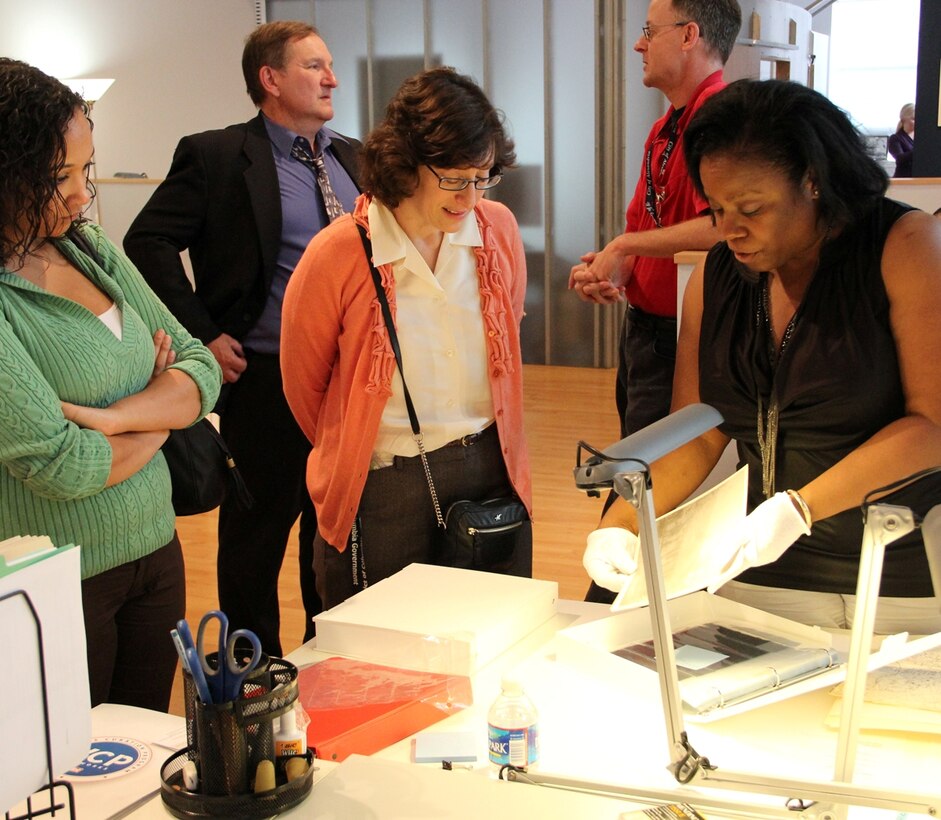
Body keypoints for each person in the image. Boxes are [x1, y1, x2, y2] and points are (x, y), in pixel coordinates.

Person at [583, 79, 941, 636]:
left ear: (814, 181)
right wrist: (622, 523)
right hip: (762, 569)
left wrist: (800, 508)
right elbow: (697, 431)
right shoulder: (717, 275)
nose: (729, 231)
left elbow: (932, 424)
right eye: (717, 209)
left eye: (751, 208)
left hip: (898, 574)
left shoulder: (904, 246)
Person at [124, 22, 362, 656]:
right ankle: (255, 680)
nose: (331, 77)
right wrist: (202, 333)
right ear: (271, 79)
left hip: (353, 386)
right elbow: (146, 242)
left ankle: (328, 660)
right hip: (265, 382)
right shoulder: (218, 156)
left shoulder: (356, 159)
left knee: (336, 535)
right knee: (255, 543)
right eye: (315, 66)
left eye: (330, 65)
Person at [0, 59, 222, 709]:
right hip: (56, 577)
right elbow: (63, 465)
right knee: (76, 777)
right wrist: (164, 414)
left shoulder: (87, 247)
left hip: (156, 548)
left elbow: (198, 364)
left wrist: (120, 418)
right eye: (58, 177)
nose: (81, 194)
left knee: (148, 745)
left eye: (86, 171)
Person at [280, 67, 532, 609]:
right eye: (453, 178)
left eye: (482, 177)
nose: (469, 196)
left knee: (489, 637)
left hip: (489, 466)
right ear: (405, 162)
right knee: (383, 656)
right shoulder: (339, 254)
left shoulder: (498, 232)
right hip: (385, 483)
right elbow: (307, 389)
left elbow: (507, 331)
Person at [570, 0, 741, 604]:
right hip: (648, 329)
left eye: (648, 32)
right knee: (637, 461)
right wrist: (612, 268)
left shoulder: (721, 119)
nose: (638, 45)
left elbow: (723, 226)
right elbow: (656, 231)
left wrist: (624, 245)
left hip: (682, 342)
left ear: (690, 35)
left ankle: (612, 606)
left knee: (650, 474)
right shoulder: (668, 125)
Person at [887, 103, 915, 178]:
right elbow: (899, 158)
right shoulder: (895, 138)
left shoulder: (921, 139)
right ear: (903, 120)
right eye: (913, 119)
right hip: (903, 180)